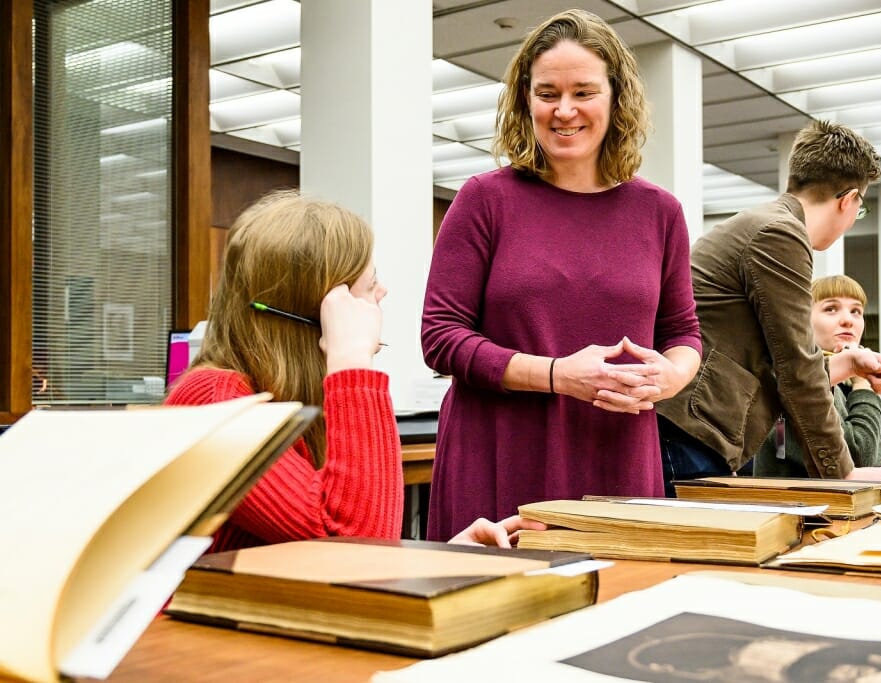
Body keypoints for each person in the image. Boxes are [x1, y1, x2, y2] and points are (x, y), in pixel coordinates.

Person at [421, 9, 703, 541]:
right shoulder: (485, 200)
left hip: (616, 455)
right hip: (500, 453)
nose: (564, 110)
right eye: (547, 92)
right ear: (525, 100)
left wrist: (672, 376)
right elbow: (440, 337)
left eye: (583, 92)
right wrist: (556, 375)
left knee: (617, 610)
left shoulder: (659, 212)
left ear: (616, 98)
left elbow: (682, 332)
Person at [166, 190, 543, 553]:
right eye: (369, 283)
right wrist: (352, 360)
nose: (382, 293)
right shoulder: (215, 402)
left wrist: (446, 554)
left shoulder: (291, 396)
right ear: (321, 310)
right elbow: (355, 544)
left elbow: (337, 552)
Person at [656, 119, 881, 490]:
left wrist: (843, 363)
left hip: (690, 426)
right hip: (688, 430)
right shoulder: (779, 234)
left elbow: (775, 361)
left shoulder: (763, 223)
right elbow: (797, 365)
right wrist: (843, 471)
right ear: (848, 200)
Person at [754, 275, 881, 478]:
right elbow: (861, 457)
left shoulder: (830, 382)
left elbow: (849, 446)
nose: (847, 320)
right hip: (791, 505)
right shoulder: (789, 378)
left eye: (856, 311)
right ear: (801, 319)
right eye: (831, 309)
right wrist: (862, 382)